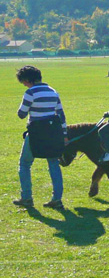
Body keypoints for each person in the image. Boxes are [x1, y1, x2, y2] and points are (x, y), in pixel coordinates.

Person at [13, 65, 68, 210]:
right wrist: (64, 135)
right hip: (53, 133)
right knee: (53, 164)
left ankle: (27, 197)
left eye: (23, 81)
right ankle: (57, 199)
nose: (23, 84)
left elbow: (21, 114)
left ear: (27, 79)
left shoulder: (30, 92)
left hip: (36, 133)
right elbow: (61, 115)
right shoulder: (53, 92)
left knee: (24, 164)